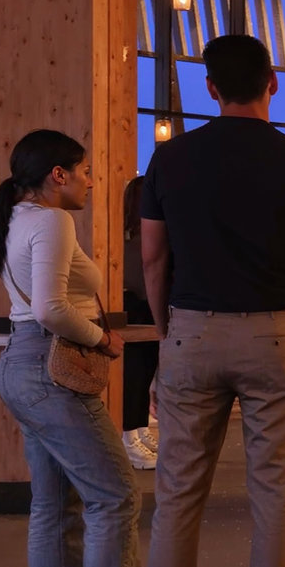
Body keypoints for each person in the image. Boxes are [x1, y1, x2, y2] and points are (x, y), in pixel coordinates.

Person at [143, 35, 285, 567]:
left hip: (191, 331)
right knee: (276, 491)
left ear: (210, 88)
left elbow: (153, 259)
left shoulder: (169, 160)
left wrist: (168, 333)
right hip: (277, 335)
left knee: (177, 492)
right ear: (273, 83)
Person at [0, 131, 140, 567]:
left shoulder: (14, 217)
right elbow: (51, 309)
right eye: (85, 171)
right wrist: (102, 339)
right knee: (115, 496)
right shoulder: (53, 220)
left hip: (21, 364)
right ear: (58, 174)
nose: (90, 181)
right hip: (51, 369)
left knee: (55, 506)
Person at [118, 179, 159, 472]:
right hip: (136, 308)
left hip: (140, 307)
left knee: (142, 374)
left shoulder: (132, 234)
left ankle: (139, 429)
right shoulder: (136, 237)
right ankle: (129, 436)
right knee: (134, 375)